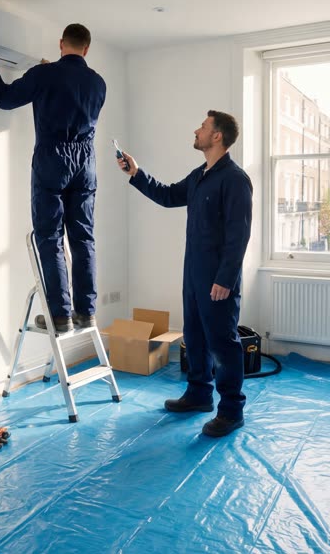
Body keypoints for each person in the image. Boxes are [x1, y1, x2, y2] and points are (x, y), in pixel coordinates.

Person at [119, 111, 253, 437]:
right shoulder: (200, 175)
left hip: (218, 279)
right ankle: (198, 395)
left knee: (222, 343)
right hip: (193, 273)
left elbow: (239, 234)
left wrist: (225, 279)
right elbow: (167, 196)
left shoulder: (235, 179)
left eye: (203, 127)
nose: (197, 130)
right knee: (193, 336)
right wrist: (136, 173)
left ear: (217, 136)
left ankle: (231, 411)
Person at [0, 24, 105, 334]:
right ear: (87, 49)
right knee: (83, 238)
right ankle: (86, 313)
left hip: (53, 159)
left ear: (61, 44)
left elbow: (5, 99)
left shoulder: (44, 75)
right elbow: (70, 92)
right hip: (85, 162)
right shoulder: (98, 83)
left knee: (50, 237)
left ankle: (60, 316)